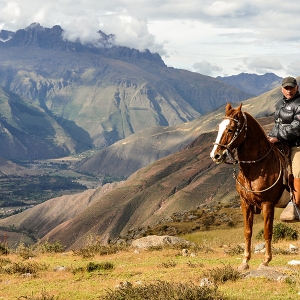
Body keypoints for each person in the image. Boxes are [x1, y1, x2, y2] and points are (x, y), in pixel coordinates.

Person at [268, 76, 300, 221]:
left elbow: (297, 127)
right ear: (282, 89)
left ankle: (296, 205)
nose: (289, 91)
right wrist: (270, 137)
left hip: (297, 146)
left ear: (297, 88)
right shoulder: (280, 104)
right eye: (286, 88)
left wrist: (279, 137)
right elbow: (277, 124)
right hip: (281, 143)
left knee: (298, 171)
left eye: (291, 88)